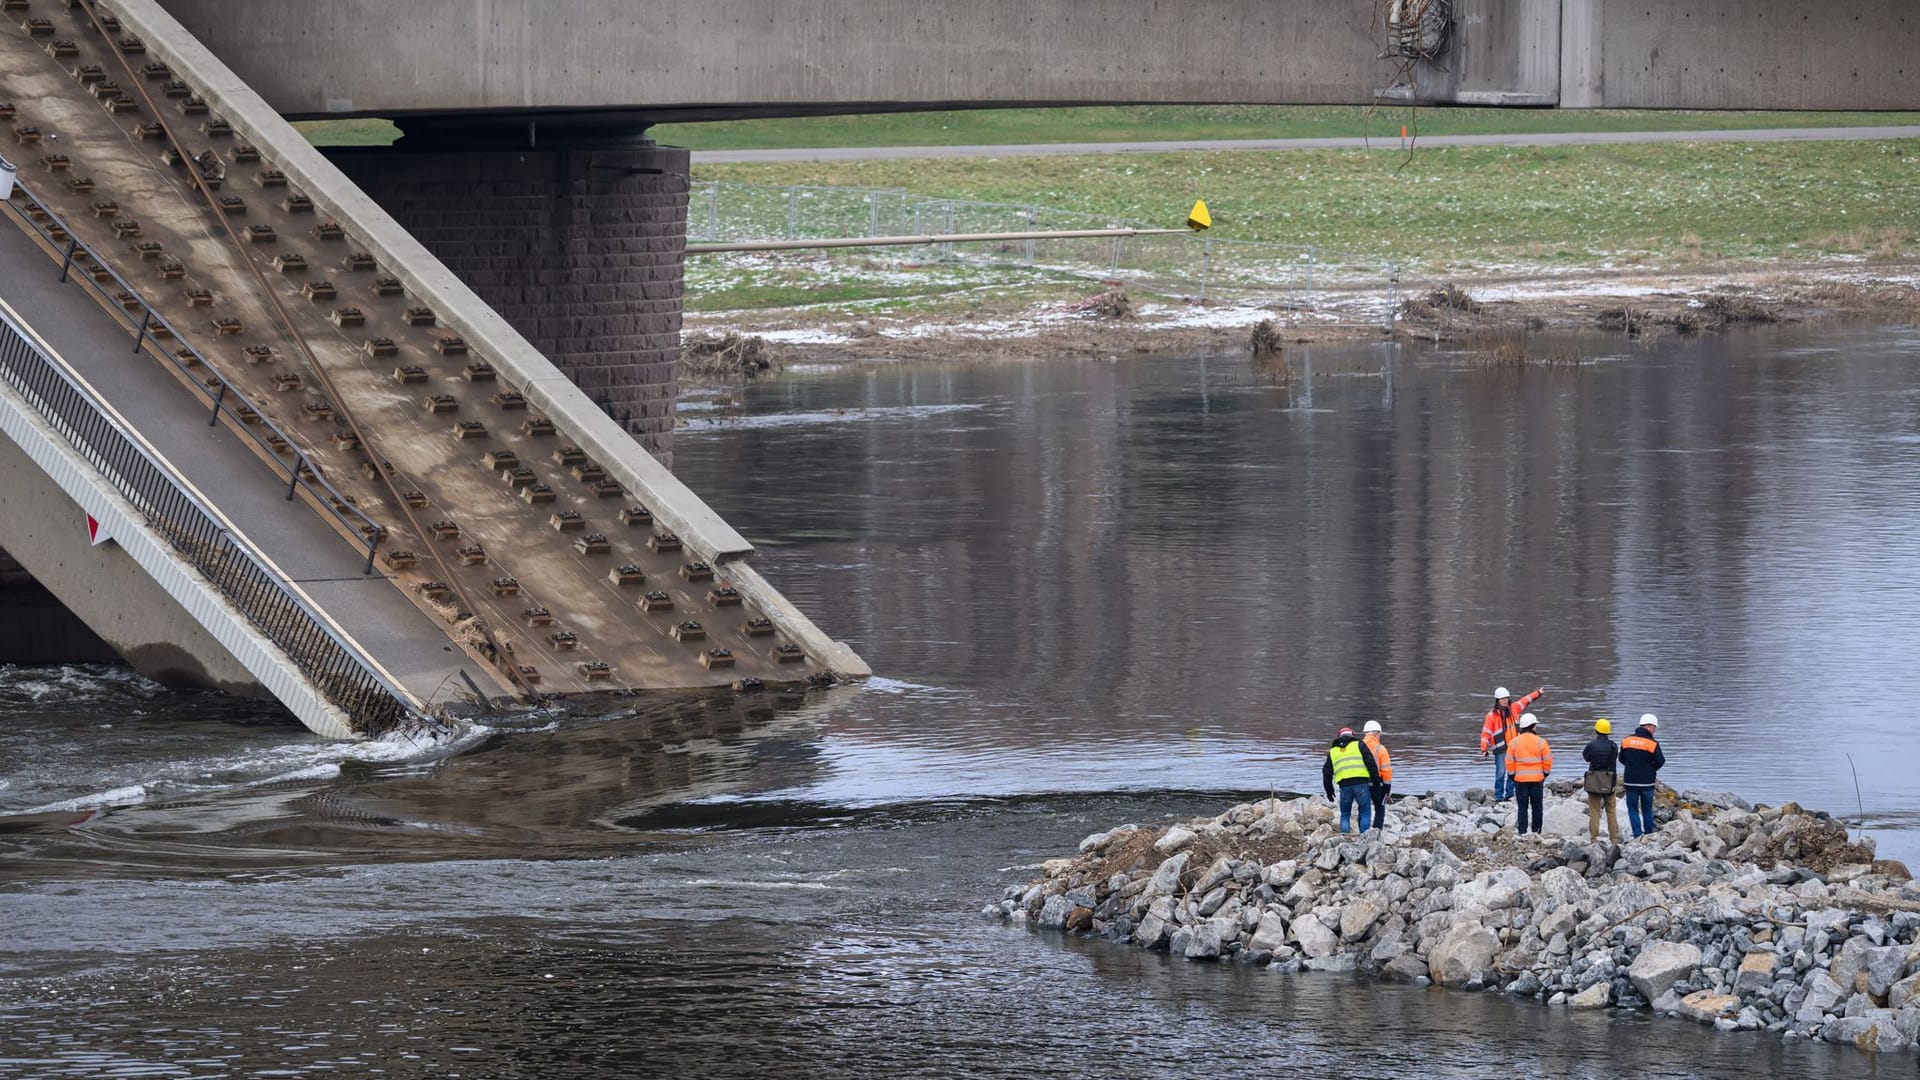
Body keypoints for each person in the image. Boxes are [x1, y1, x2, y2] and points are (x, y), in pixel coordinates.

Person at [1479, 686, 1543, 802]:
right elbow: (1485, 733)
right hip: (1500, 750)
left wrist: (1537, 693)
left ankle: (1509, 795)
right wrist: (1484, 749)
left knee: (1512, 772)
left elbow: (1525, 700)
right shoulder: (1491, 716)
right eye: (1502, 699)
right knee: (1500, 773)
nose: (1504, 700)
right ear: (1497, 700)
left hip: (1514, 747)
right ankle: (1498, 797)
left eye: (1506, 698)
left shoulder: (1514, 709)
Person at [1322, 726, 1384, 834]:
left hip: (1344, 786)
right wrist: (1376, 782)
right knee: (1365, 811)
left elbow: (1326, 772)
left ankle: (1345, 837)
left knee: (1345, 814)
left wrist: (1329, 791)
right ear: (1352, 735)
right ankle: (1364, 836)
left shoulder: (1333, 751)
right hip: (1361, 784)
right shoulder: (1359, 745)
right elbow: (1371, 764)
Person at [1620, 713, 1667, 838]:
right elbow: (1661, 761)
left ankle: (1637, 834)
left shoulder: (1626, 741)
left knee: (1632, 809)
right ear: (1649, 727)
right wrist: (1651, 769)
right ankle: (1648, 834)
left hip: (1630, 781)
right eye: (1655, 727)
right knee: (1647, 809)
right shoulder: (1652, 743)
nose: (1655, 730)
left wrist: (1631, 767)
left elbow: (1621, 759)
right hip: (1647, 783)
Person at [1505, 713, 1552, 835]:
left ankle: (1522, 831)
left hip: (1520, 780)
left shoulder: (1514, 742)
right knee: (1537, 806)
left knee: (1522, 807)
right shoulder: (1541, 742)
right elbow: (1547, 760)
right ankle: (1536, 831)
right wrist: (1545, 774)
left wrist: (1512, 775)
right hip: (1537, 779)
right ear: (1532, 726)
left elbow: (1509, 761)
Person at [1581, 718, 1622, 844]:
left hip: (1594, 781)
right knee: (1611, 810)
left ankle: (1594, 838)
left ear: (1596, 730)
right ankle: (1614, 838)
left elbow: (1586, 758)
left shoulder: (1591, 745)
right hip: (1609, 781)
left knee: (1594, 810)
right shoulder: (1613, 746)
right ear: (1608, 731)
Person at [1362, 719, 1393, 831]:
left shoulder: (1357, 747)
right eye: (1379, 734)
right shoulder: (1381, 749)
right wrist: (1387, 789)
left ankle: (1363, 832)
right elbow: (1387, 770)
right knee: (1380, 808)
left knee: (1364, 809)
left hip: (1361, 783)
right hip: (1377, 784)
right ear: (1376, 733)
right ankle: (1377, 831)